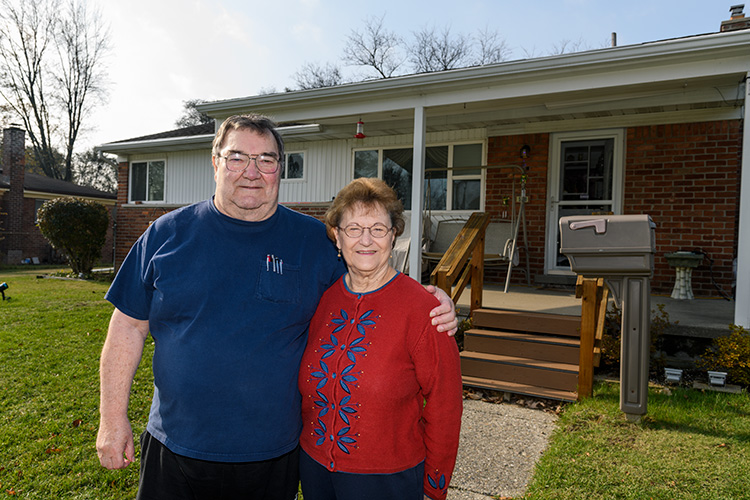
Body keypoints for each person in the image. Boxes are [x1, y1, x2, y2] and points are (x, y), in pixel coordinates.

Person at [96, 114, 458, 500]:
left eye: (266, 160)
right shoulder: (166, 235)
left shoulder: (314, 241)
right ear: (215, 162)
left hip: (272, 457)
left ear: (280, 170)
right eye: (237, 158)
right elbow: (128, 326)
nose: (252, 172)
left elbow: (370, 274)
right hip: (175, 446)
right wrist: (112, 418)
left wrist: (429, 299)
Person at [298, 178, 463, 500]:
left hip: (387, 479)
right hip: (315, 470)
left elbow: (446, 404)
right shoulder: (323, 300)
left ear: (394, 235)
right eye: (354, 229)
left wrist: (434, 484)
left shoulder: (424, 309)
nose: (366, 240)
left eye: (378, 229)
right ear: (337, 237)